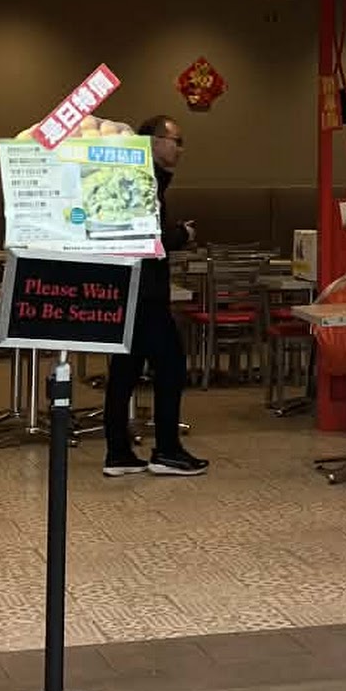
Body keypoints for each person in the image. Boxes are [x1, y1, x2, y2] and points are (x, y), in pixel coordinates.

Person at [102, 115, 209, 477]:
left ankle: (118, 452)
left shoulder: (130, 178)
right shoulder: (143, 180)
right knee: (172, 367)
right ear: (151, 141)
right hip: (145, 293)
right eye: (176, 140)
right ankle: (166, 450)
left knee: (124, 372)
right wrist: (182, 235)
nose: (180, 149)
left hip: (127, 288)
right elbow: (149, 237)